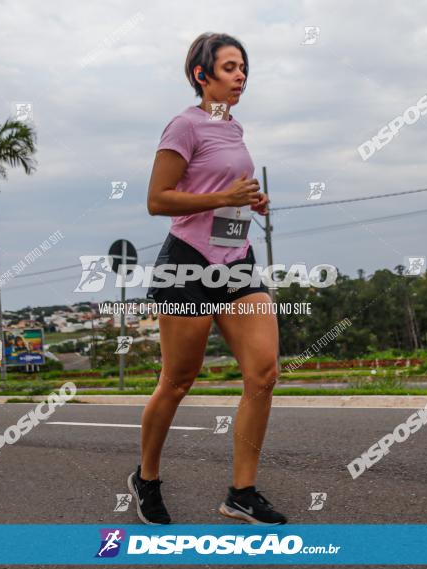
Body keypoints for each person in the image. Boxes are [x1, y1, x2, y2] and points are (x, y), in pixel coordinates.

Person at [127, 33, 286, 525]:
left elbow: (225, 190)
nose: (241, 76)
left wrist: (249, 201)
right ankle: (146, 478)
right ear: (203, 75)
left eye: (244, 68)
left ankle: (242, 492)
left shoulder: (234, 129)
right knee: (177, 381)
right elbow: (158, 200)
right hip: (187, 263)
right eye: (231, 67)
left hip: (237, 259)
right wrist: (221, 198)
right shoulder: (185, 126)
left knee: (263, 373)